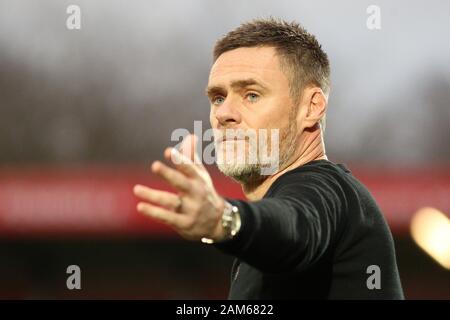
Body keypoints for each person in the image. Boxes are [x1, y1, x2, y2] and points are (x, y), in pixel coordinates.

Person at [133, 18, 404, 299]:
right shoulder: (261, 237)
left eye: (251, 95)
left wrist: (226, 220)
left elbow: (296, 227)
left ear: (311, 107)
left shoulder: (327, 190)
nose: (224, 113)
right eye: (217, 98)